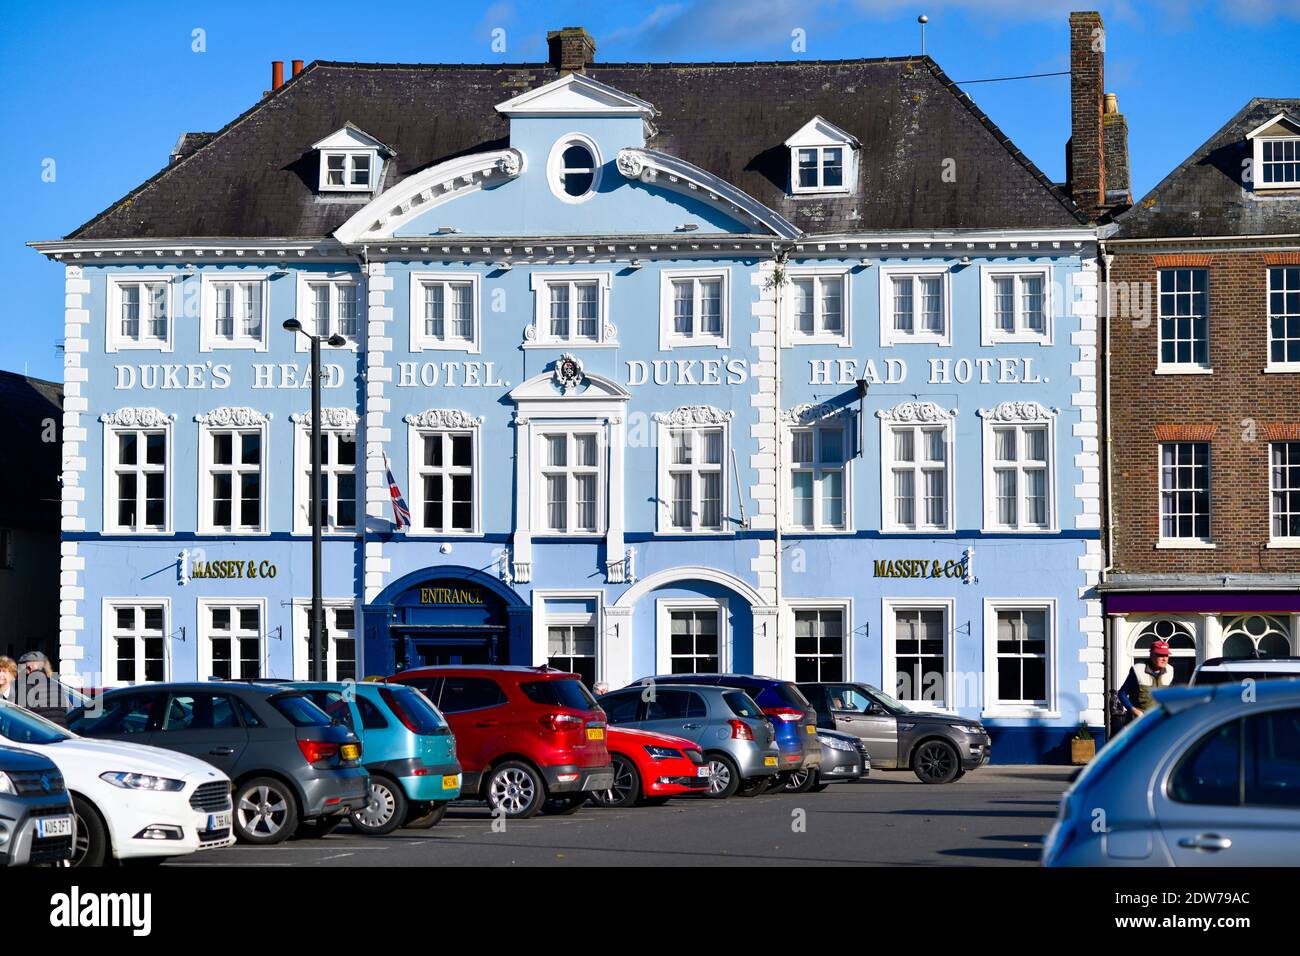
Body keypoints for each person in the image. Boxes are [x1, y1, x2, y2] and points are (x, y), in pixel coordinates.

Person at [1117, 640, 1176, 724]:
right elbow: (1122, 693)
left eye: (1166, 655)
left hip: (1159, 721)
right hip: (1137, 722)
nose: (1164, 659)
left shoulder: (1170, 670)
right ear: (1151, 655)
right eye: (1160, 655)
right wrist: (1134, 711)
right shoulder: (1138, 670)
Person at [16, 651, 70, 727]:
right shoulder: (56, 685)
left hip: (40, 733)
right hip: (60, 732)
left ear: (30, 668)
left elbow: (21, 716)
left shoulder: (27, 685)